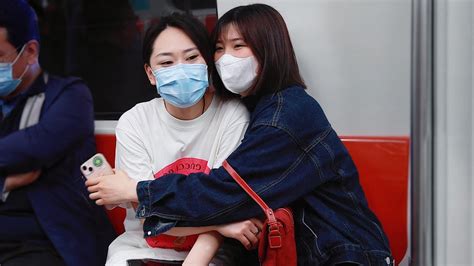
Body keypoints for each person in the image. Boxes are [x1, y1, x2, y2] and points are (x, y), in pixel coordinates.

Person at [87, 4, 394, 265]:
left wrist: (136, 191)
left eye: (238, 46)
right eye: (219, 48)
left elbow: (226, 193)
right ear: (150, 72)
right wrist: (224, 224)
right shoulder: (259, 106)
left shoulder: (282, 118)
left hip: (345, 254)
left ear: (268, 50)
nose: (225, 59)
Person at [101, 13, 259, 266]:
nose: (181, 69)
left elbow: (223, 201)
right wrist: (223, 223)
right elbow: (149, 218)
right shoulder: (135, 122)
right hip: (143, 247)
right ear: (150, 74)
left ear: (207, 63)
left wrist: (217, 225)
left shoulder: (231, 116)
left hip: (212, 248)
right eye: (167, 62)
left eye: (191, 57)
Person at [0, 1, 116, 265]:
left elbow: (35, 147)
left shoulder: (70, 95)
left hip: (45, 243)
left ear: (29, 52)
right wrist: (5, 183)